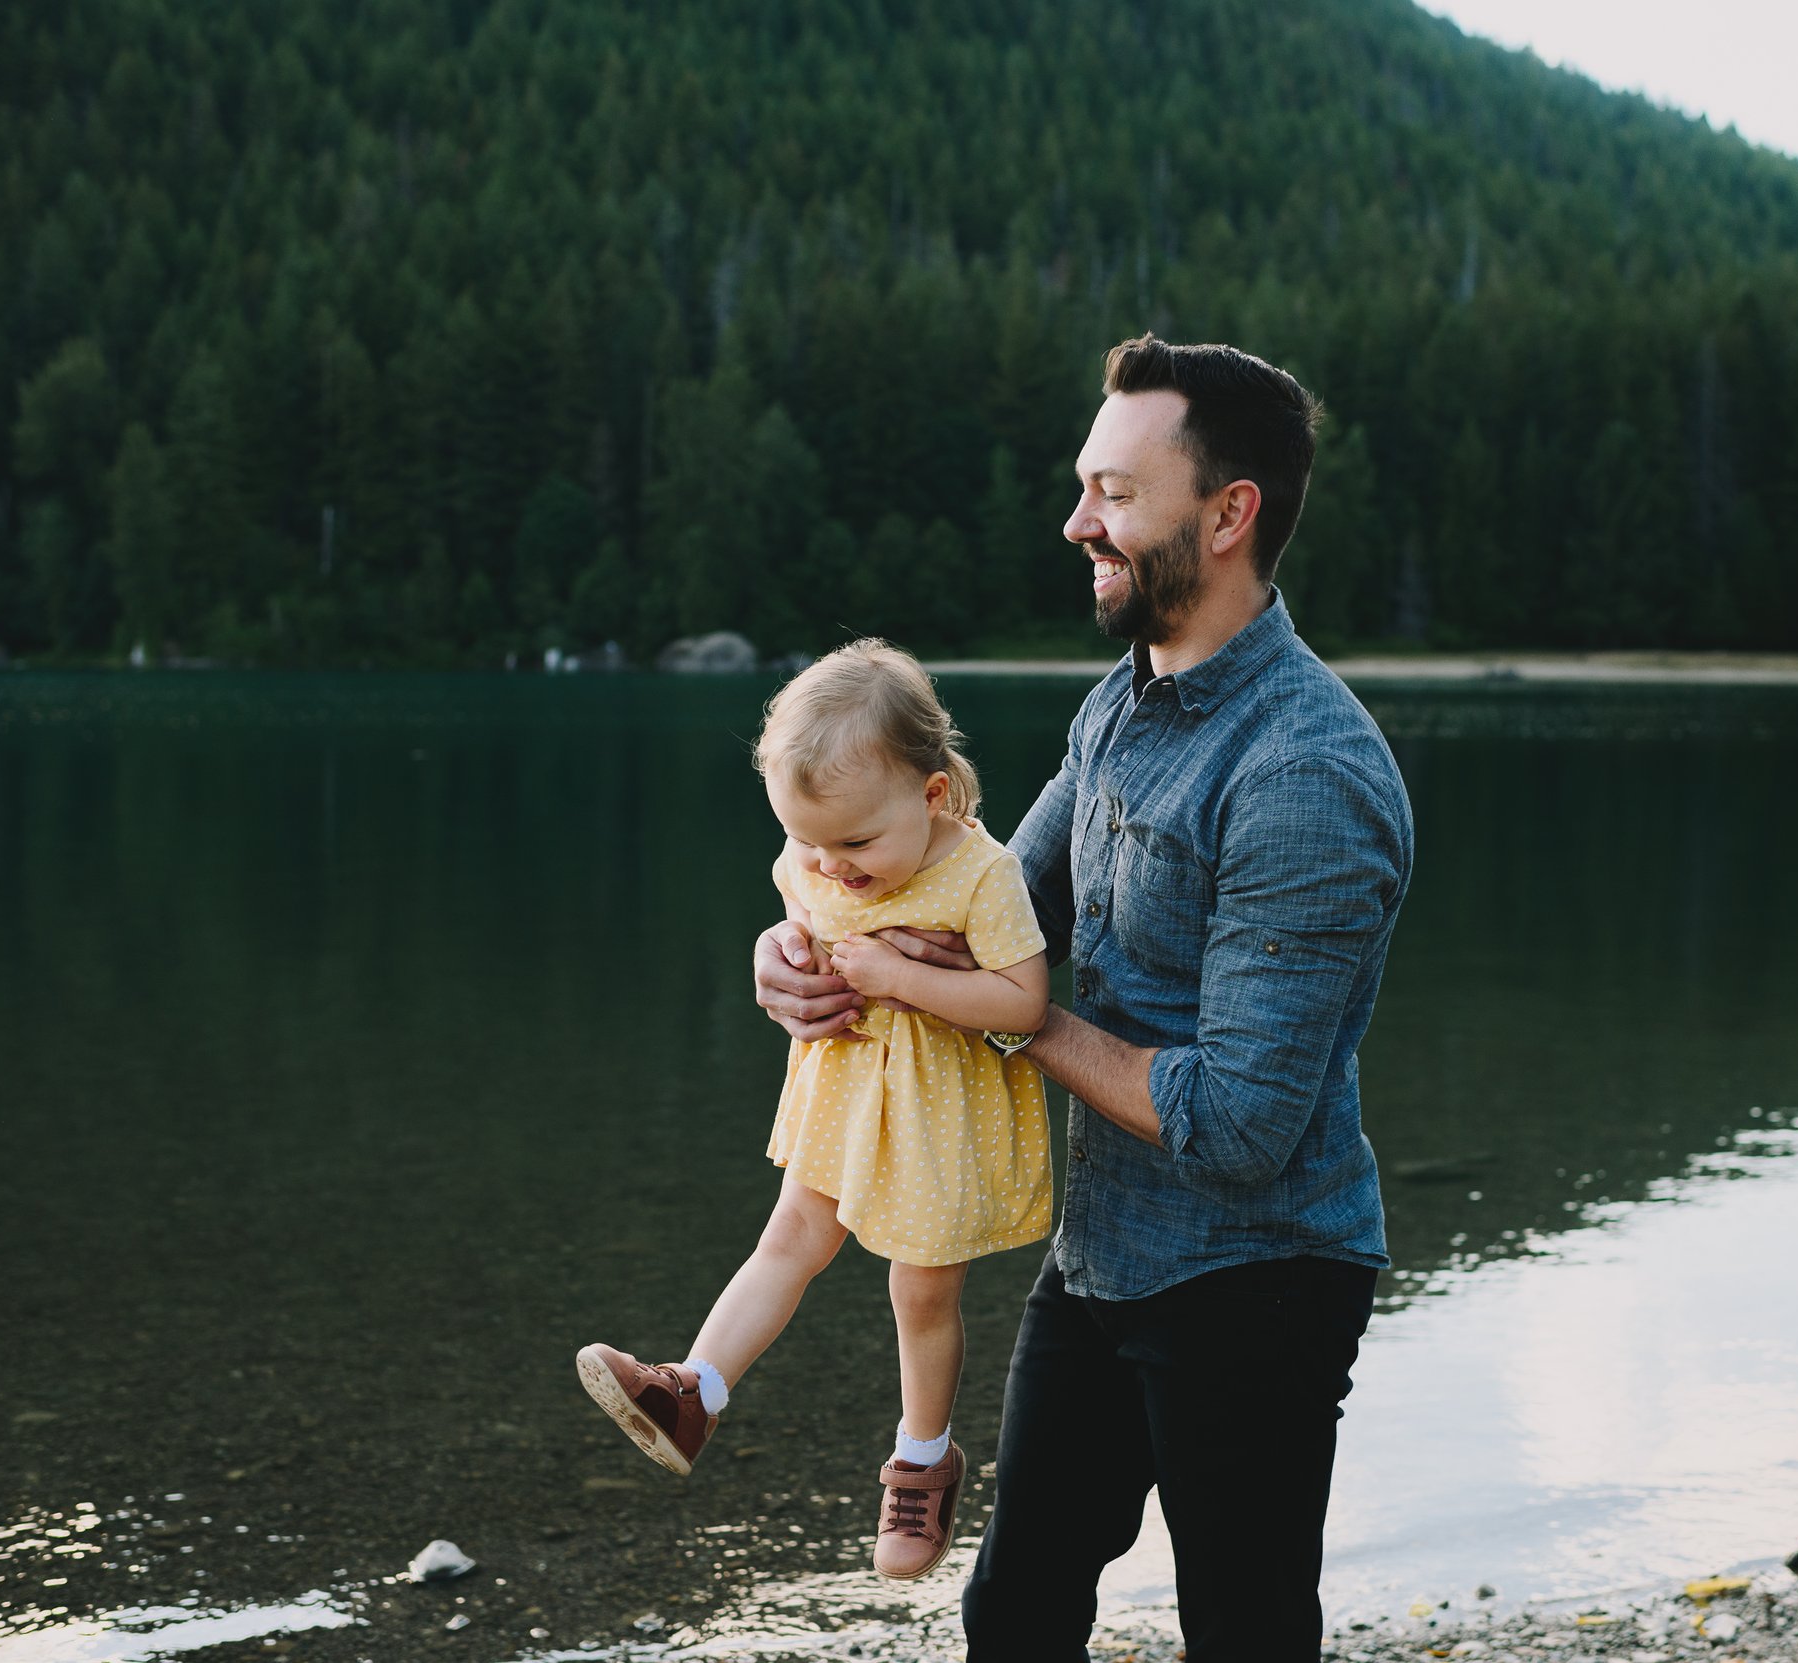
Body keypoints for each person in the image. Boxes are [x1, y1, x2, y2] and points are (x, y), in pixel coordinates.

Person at [752, 336, 1414, 1659]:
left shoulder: (1305, 779)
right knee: (1018, 1605)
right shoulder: (1122, 702)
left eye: (1113, 491)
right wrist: (799, 944)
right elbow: (987, 901)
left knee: (1246, 1626)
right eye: (1082, 485)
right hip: (1107, 1250)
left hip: (1263, 1273)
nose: (1076, 521)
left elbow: (1234, 1123)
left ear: (1228, 515)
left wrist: (1019, 1020)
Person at [578, 639, 1055, 1582]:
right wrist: (788, 952)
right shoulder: (815, 857)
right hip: (844, 1087)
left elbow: (1024, 1002)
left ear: (930, 796)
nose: (832, 867)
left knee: (919, 1292)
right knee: (788, 1237)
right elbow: (797, 910)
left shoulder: (979, 875)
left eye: (855, 843)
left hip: (939, 1111)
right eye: (808, 840)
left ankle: (922, 1462)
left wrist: (901, 972)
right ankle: (693, 1391)